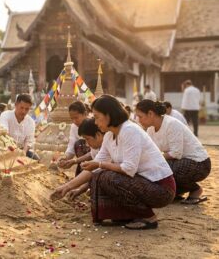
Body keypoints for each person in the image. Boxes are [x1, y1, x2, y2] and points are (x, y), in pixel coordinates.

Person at [51, 95, 175, 230]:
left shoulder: (129, 130)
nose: (96, 123)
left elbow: (128, 169)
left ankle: (149, 218)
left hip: (161, 189)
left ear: (109, 115)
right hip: (144, 184)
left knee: (107, 176)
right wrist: (67, 187)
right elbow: (96, 164)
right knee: (99, 176)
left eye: (97, 117)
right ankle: (124, 215)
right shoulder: (109, 135)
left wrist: (100, 165)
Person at [135, 100, 210, 204]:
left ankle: (196, 189)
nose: (139, 120)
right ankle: (176, 192)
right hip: (180, 162)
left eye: (140, 116)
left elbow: (176, 153)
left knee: (165, 167)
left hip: (200, 164)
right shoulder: (150, 130)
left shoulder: (171, 124)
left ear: (150, 114)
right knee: (152, 168)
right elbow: (151, 152)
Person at [64, 118, 105, 200]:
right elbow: (93, 159)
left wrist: (70, 187)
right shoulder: (99, 145)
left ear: (98, 135)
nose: (86, 144)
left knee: (103, 176)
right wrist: (74, 161)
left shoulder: (108, 142)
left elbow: (96, 171)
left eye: (87, 139)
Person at [0, 94, 38, 159]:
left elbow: (29, 141)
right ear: (16, 105)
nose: (23, 111)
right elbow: (5, 133)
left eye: (27, 109)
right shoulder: (5, 115)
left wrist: (24, 152)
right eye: (21, 108)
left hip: (22, 150)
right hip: (5, 148)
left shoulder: (31, 122)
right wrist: (13, 149)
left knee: (36, 159)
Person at [58, 101, 90, 174]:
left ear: (85, 114)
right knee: (78, 144)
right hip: (81, 160)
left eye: (76, 118)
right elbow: (71, 146)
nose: (74, 121)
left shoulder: (93, 124)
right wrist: (65, 158)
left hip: (95, 158)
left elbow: (95, 152)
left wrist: (75, 161)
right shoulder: (74, 127)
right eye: (72, 119)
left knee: (80, 143)